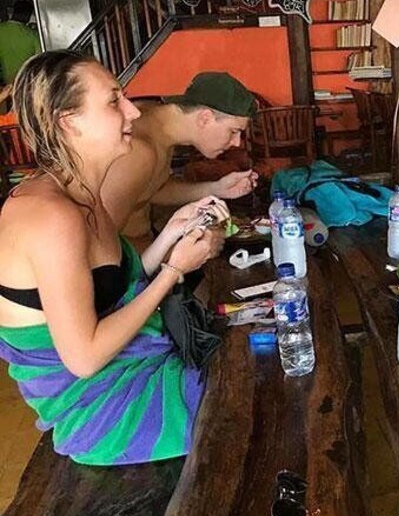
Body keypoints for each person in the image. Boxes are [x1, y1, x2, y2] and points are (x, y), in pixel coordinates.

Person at [0, 51, 229, 465]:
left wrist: (172, 234)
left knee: (250, 364)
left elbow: (110, 289)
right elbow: (84, 357)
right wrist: (175, 269)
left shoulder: (82, 192)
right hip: (98, 408)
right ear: (69, 122)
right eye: (113, 101)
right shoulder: (50, 217)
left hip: (130, 372)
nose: (133, 113)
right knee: (242, 406)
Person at [102, 71, 259, 249]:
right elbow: (100, 239)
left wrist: (215, 188)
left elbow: (149, 190)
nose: (237, 143)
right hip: (129, 268)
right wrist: (174, 258)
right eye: (233, 131)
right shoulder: (138, 149)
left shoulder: (160, 128)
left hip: (143, 254)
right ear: (205, 118)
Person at [0, 0, 41, 87]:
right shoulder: (32, 34)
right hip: (24, 82)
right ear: (27, 15)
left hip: (4, 84)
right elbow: (39, 58)